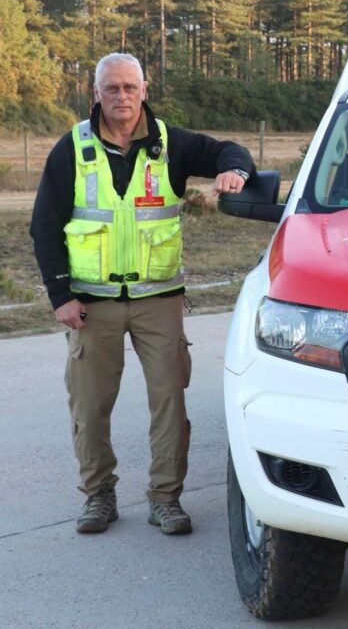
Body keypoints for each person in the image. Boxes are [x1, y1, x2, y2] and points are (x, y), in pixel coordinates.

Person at [30, 52, 254, 535]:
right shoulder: (73, 147)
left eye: (130, 87)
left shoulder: (171, 143)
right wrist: (59, 296)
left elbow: (229, 150)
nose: (121, 96)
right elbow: (44, 225)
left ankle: (165, 499)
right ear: (96, 94)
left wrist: (236, 172)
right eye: (111, 88)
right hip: (91, 306)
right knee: (88, 408)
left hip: (160, 302)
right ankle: (98, 496)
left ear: (145, 89)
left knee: (170, 404)